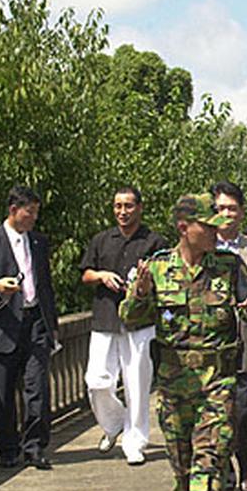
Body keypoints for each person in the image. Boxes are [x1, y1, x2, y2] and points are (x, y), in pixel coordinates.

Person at [120, 193, 247, 491]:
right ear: (184, 228)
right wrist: (140, 294)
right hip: (174, 389)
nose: (216, 231)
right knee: (185, 473)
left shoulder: (229, 266)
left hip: (218, 385)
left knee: (210, 462)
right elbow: (129, 318)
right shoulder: (156, 267)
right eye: (207, 226)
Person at [0, 185, 59, 470]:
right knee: (3, 394)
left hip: (35, 325)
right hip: (2, 327)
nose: (33, 219)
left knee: (37, 389)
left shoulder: (39, 242)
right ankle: (8, 449)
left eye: (36, 213)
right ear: (13, 210)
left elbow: (46, 287)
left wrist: (51, 326)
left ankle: (35, 448)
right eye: (29, 213)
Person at [79, 186, 168, 465]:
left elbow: (165, 280)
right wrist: (102, 276)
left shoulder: (154, 241)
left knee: (138, 383)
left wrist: (144, 284)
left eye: (128, 206)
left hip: (140, 322)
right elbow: (85, 274)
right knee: (96, 380)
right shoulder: (102, 240)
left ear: (139, 208)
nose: (122, 212)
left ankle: (135, 441)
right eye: (118, 206)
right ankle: (115, 422)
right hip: (105, 317)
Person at [210, 181, 247, 491]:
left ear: (242, 212)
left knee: (244, 410)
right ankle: (226, 477)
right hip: (212, 349)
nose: (227, 214)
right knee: (219, 414)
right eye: (221, 208)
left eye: (232, 208)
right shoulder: (203, 251)